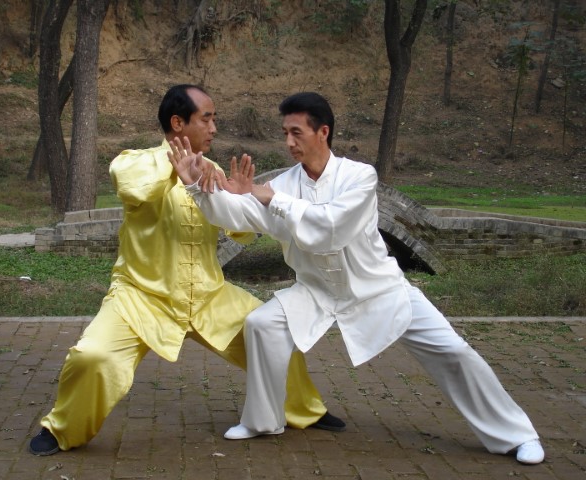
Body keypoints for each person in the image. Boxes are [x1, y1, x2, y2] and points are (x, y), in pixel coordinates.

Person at [167, 91, 545, 465]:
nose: (288, 142)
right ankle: (263, 421)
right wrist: (197, 188)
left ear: (323, 132)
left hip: (379, 290)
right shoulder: (282, 184)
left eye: (296, 132)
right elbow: (240, 215)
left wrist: (268, 199)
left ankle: (516, 435)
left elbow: (331, 227)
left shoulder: (360, 176)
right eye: (285, 132)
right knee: (262, 325)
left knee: (454, 351)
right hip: (316, 292)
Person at [28, 85, 345, 456]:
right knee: (93, 357)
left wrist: (239, 196)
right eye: (206, 119)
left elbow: (238, 229)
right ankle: (62, 429)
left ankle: (305, 410)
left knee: (272, 333)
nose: (213, 128)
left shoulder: (209, 168)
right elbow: (134, 190)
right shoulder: (134, 161)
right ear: (178, 123)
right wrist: (175, 169)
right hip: (141, 297)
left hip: (209, 295)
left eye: (214, 119)